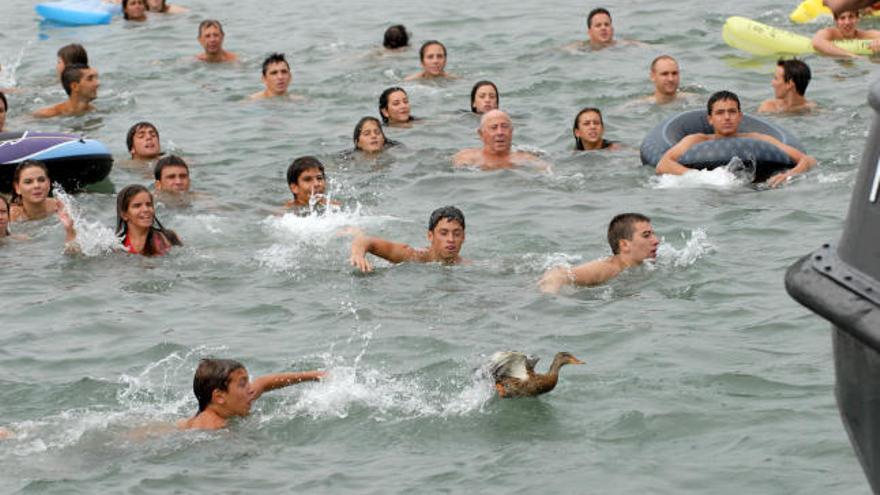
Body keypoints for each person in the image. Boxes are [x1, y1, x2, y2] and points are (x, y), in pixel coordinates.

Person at [656, 90, 817, 187]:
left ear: (740, 116)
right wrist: (703, 178)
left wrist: (789, 175)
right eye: (720, 113)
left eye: (732, 112)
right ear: (710, 119)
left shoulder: (757, 139)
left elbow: (807, 160)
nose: (727, 117)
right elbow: (663, 164)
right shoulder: (697, 140)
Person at [177, 358, 325, 431]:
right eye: (243, 384)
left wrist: (314, 375)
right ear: (219, 396)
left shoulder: (231, 399)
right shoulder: (216, 428)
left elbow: (263, 382)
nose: (250, 389)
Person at [539, 213, 660, 293]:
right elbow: (557, 274)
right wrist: (550, 302)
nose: (656, 241)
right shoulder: (607, 268)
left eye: (653, 234)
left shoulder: (643, 264)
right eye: (646, 235)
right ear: (624, 245)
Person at [349, 206, 466, 272]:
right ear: (430, 236)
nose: (451, 239)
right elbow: (366, 240)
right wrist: (358, 254)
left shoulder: (465, 266)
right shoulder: (412, 256)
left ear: (463, 237)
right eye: (444, 233)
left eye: (456, 234)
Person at [453, 109, 545, 169]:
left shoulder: (526, 160)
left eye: (505, 127)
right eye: (494, 127)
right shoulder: (466, 158)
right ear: (481, 134)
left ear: (511, 132)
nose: (500, 132)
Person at [34, 64, 99, 118]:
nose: (97, 84)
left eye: (96, 78)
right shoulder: (47, 114)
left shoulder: (94, 111)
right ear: (75, 86)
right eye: (90, 79)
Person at [812, 9, 880, 57]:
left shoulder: (863, 34)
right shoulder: (830, 33)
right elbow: (817, 42)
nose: (847, 22)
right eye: (842, 18)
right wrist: (850, 55)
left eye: (851, 17)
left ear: (857, 18)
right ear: (836, 21)